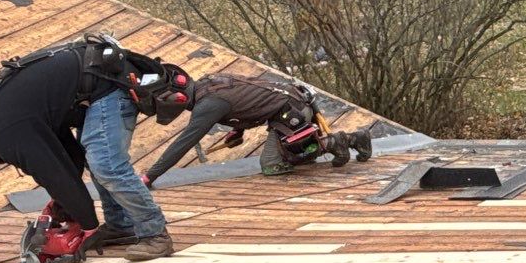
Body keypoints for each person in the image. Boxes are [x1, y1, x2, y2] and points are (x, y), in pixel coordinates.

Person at [0, 33, 189, 261]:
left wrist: (86, 225)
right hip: (95, 80)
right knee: (95, 157)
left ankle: (155, 234)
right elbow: (69, 156)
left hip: (106, 86)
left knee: (107, 165)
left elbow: (55, 174)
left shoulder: (4, 131)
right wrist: (65, 206)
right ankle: (121, 225)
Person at [141, 73, 373, 184]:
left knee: (272, 165)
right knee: (288, 154)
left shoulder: (208, 105)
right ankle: (335, 143)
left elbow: (183, 143)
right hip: (291, 104)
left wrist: (150, 176)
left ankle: (344, 141)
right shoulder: (207, 84)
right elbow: (245, 98)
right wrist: (238, 130)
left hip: (292, 113)